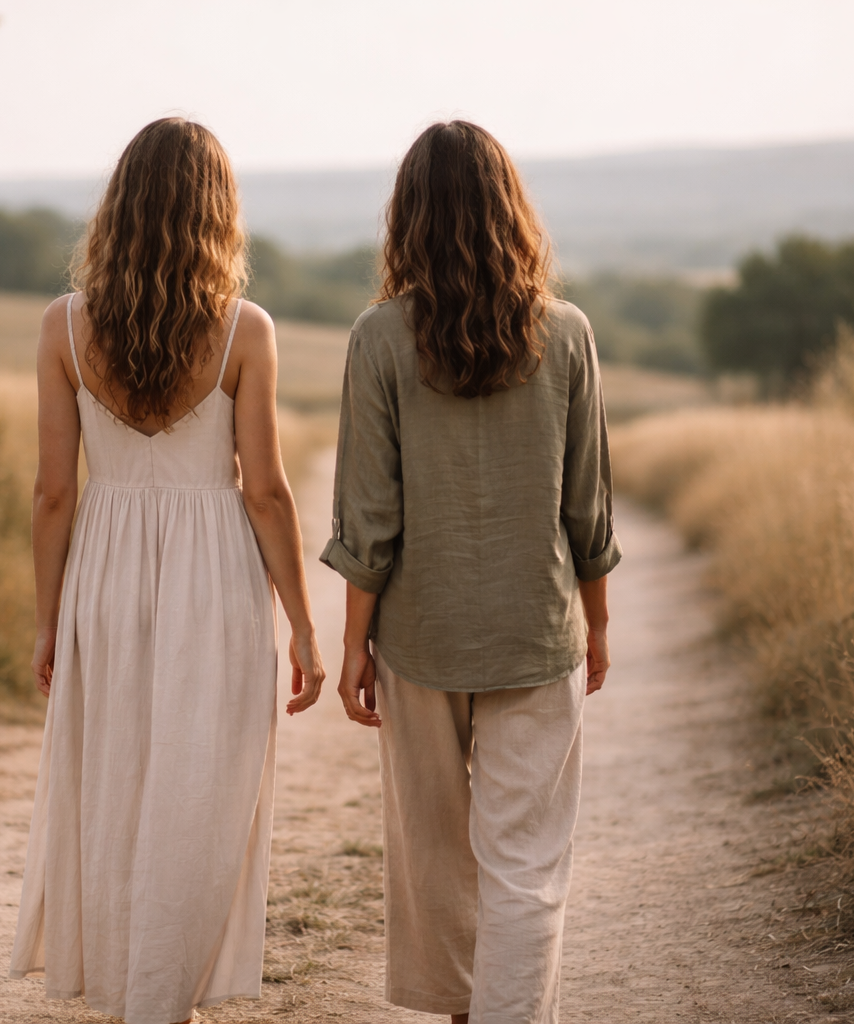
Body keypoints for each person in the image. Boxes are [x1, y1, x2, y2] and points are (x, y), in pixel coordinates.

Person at [10, 117, 325, 1023]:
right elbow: (265, 493)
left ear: (120, 208)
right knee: (204, 789)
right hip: (215, 577)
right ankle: (163, 999)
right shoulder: (244, 331)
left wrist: (47, 619)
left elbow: (52, 493)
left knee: (113, 777)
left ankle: (134, 991)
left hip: (103, 572)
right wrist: (304, 626)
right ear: (216, 213)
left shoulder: (64, 327)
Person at [321, 120, 620, 1024]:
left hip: (420, 636)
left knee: (438, 860)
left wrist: (354, 645)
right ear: (511, 214)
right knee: (526, 865)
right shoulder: (566, 334)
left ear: (407, 217)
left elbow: (368, 520)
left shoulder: (378, 338)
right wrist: (597, 625)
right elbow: (588, 507)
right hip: (537, 629)